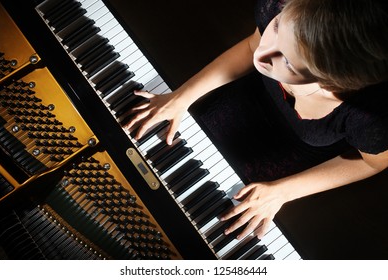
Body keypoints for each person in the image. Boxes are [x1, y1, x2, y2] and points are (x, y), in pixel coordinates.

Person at [125, 0, 388, 241]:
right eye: (276, 27)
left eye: (288, 62)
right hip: (245, 99)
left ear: (332, 81)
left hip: (294, 154)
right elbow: (253, 46)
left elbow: (372, 164)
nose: (262, 54)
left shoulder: (370, 116)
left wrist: (282, 192)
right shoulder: (283, 5)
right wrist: (182, 96)